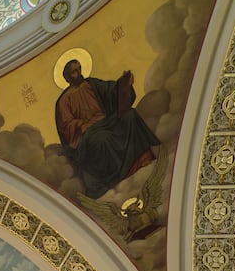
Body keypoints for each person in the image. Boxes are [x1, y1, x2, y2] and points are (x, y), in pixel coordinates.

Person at [54, 58, 160, 199]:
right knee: (102, 140)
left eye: (79, 69)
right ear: (67, 77)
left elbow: (110, 92)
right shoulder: (63, 101)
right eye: (74, 72)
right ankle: (116, 177)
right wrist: (83, 124)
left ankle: (142, 158)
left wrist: (123, 84)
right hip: (87, 134)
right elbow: (67, 126)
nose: (78, 73)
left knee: (130, 116)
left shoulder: (91, 84)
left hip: (107, 121)